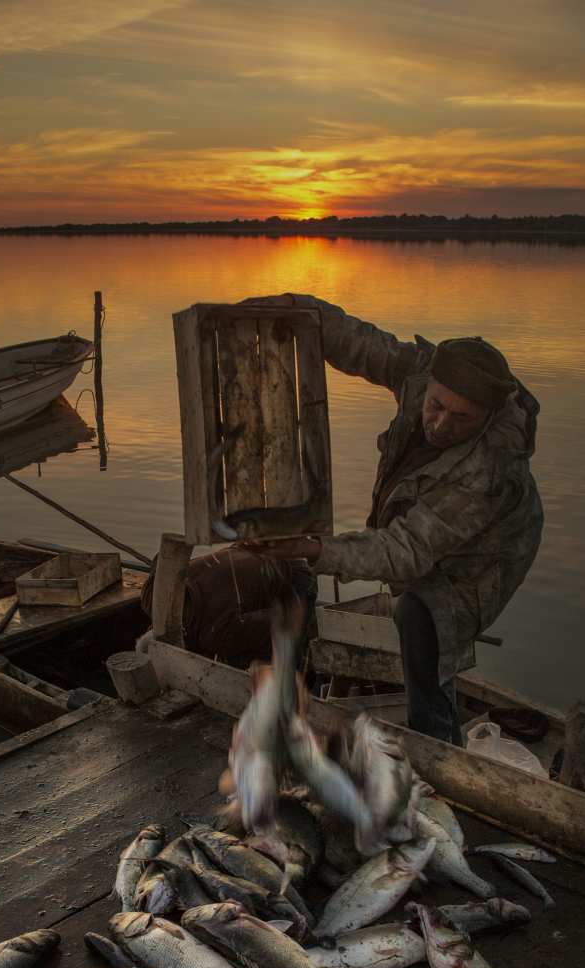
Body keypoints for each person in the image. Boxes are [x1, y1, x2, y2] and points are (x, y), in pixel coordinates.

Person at [236, 293, 544, 745]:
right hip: (428, 524)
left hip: (490, 552)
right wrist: (287, 309)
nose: (440, 425)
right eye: (436, 406)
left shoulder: (489, 473)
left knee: (425, 619)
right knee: (410, 602)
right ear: (429, 384)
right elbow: (356, 342)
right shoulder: (419, 371)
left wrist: (316, 549)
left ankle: (438, 745)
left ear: (487, 416)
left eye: (461, 419)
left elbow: (407, 550)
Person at [139, 547, 316, 667]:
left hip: (296, 577)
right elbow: (161, 556)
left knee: (245, 662)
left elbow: (279, 623)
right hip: (256, 552)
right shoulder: (152, 596)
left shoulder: (216, 632)